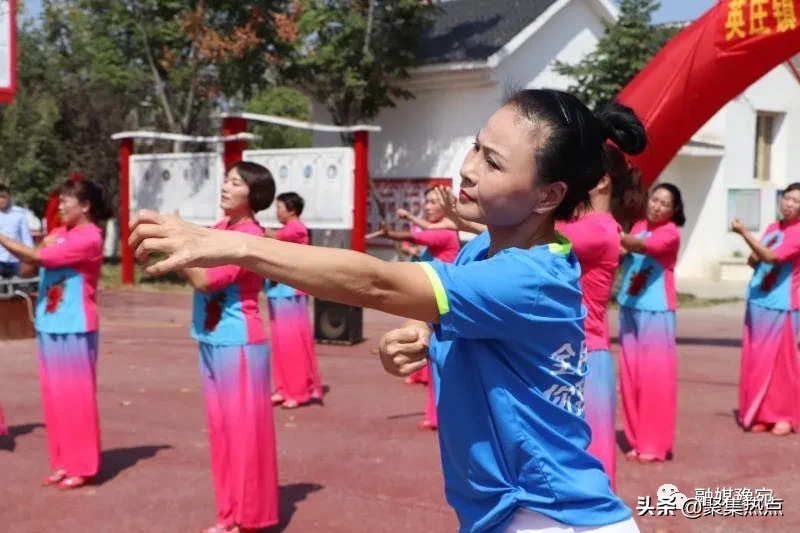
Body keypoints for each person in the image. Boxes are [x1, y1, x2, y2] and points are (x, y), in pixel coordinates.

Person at [129, 88, 644, 533]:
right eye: (475, 147)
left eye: (493, 162)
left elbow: (377, 282)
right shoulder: (479, 251)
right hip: (503, 509)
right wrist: (421, 330)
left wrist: (239, 247)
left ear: (549, 195)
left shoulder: (531, 277)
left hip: (549, 515)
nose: (467, 168)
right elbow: (449, 302)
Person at [178, 161, 279, 533]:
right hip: (210, 337)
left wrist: (179, 256)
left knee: (244, 433)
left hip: (239, 343)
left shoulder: (249, 237)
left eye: (234, 183)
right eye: (226, 180)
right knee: (221, 432)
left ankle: (249, 516)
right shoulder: (219, 229)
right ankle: (229, 513)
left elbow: (206, 281)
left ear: (252, 194)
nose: (224, 187)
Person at [0, 178, 107, 489]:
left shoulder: (90, 238)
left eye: (66, 201)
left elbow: (36, 258)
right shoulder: (59, 234)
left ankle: (84, 465)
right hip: (48, 323)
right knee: (55, 400)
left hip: (75, 323)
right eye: (59, 201)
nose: (60, 207)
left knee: (77, 398)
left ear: (85, 206)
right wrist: (38, 249)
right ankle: (62, 461)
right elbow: (28, 269)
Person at [555, 145, 646, 490]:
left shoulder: (598, 230)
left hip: (586, 356)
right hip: (569, 353)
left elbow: (531, 237)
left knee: (588, 462)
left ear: (602, 181)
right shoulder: (582, 224)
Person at [379, 190, 461, 430]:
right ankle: (436, 412)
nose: (428, 206)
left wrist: (394, 231)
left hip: (443, 304)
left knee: (441, 359)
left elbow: (417, 236)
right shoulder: (438, 231)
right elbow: (420, 246)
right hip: (431, 302)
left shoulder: (445, 231)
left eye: (433, 202)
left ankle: (440, 415)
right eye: (427, 201)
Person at [616, 183, 685, 463]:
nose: (657, 206)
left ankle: (654, 444)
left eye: (664, 203)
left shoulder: (670, 233)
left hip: (655, 311)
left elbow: (643, 246)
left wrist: (610, 231)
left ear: (674, 210)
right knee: (631, 377)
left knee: (654, 378)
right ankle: (636, 439)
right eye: (654, 199)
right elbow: (622, 251)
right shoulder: (639, 224)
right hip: (630, 305)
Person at [732, 183, 800, 436]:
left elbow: (771, 257)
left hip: (782, 306)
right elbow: (757, 258)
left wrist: (744, 234)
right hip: (759, 301)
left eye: (796, 201)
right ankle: (764, 413)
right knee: (759, 361)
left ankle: (785, 416)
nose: (790, 204)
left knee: (783, 365)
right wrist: (754, 250)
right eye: (787, 198)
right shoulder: (774, 228)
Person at [264, 192, 324, 409]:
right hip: (277, 291)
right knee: (280, 344)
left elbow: (273, 236)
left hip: (291, 292)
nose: (276, 211)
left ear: (292, 210)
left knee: (293, 344)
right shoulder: (286, 229)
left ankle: (299, 392)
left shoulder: (297, 228)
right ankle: (283, 388)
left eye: (279, 207)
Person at [0, 184, 34, 279]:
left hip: (15, 260)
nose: (1, 200)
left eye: (3, 197)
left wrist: (30, 257)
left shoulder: (19, 214)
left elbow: (26, 238)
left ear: (9, 197)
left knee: (17, 290)